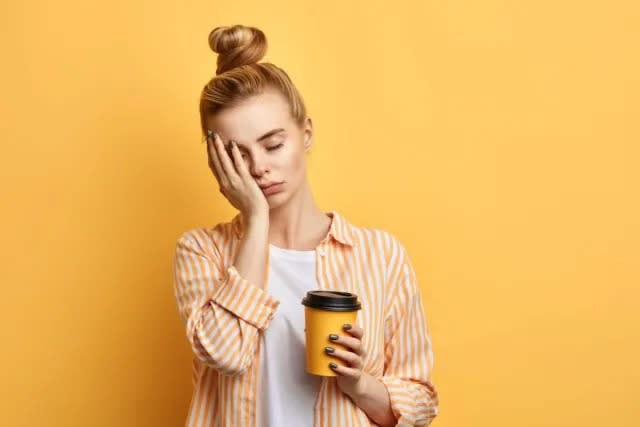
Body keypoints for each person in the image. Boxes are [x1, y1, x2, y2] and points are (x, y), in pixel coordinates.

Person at [172, 24, 439, 427]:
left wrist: (358, 383)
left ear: (306, 134)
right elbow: (226, 355)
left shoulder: (381, 256)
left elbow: (421, 402)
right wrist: (257, 217)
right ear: (218, 164)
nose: (259, 167)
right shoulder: (201, 252)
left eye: (273, 144)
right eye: (237, 155)